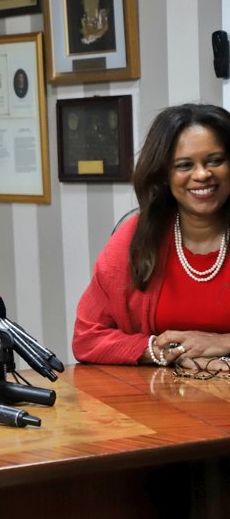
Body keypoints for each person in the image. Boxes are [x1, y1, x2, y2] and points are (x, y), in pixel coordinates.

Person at [73, 103, 230, 366]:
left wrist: (221, 343)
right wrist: (167, 353)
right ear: (164, 174)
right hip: (157, 400)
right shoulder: (135, 238)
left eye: (215, 161)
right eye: (184, 165)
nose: (202, 174)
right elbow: (87, 338)